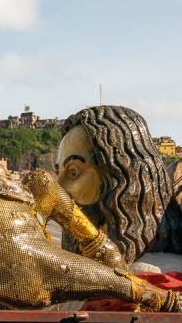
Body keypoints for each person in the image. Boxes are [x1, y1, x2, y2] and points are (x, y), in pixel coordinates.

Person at [56, 105, 182, 265]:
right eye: (57, 173)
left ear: (117, 175)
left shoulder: (163, 267)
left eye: (73, 172)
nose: (58, 188)